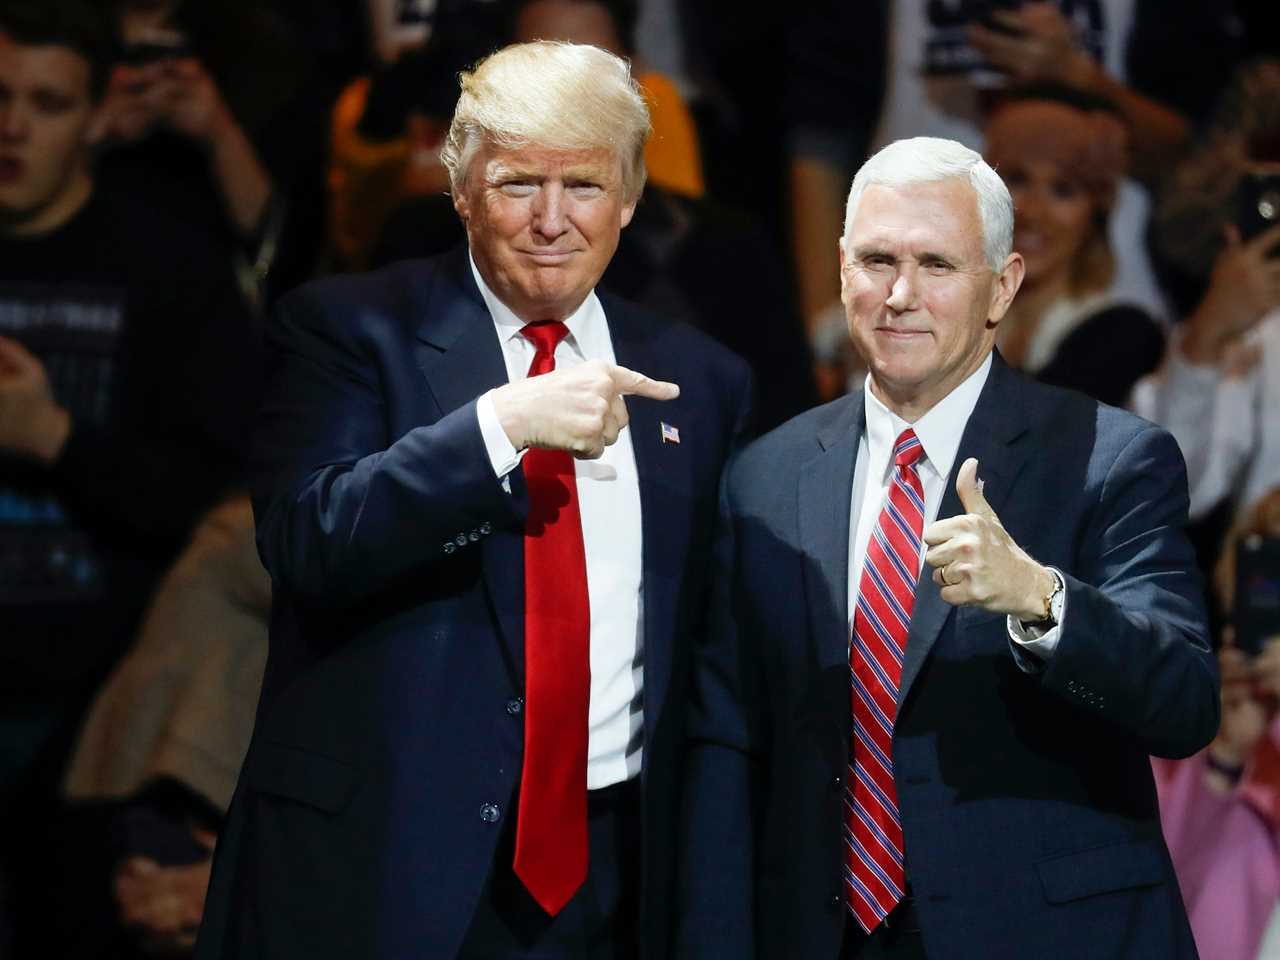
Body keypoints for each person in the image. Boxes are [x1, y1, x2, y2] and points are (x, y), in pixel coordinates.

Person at [194, 40, 754, 960]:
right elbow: (308, 540)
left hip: (611, 877)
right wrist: (498, 426)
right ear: (459, 189)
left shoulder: (700, 379)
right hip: (382, 867)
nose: (549, 219)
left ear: (631, 194)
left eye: (581, 185)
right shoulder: (347, 329)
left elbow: (708, 647)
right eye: (515, 184)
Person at [677, 137, 1217, 959]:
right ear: (841, 269)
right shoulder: (763, 475)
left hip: (1047, 935)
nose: (899, 294)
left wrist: (1044, 601)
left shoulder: (1109, 459)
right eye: (876, 260)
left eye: (936, 264)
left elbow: (1183, 703)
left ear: (1001, 287)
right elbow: (727, 740)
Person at [0, 0, 259, 949]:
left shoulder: (165, 263)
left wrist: (55, 438)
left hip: (96, 716)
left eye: (47, 102)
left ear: (96, 112)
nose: (13, 127)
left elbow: (221, 508)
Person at [981, 92, 1163, 406]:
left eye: (1063, 190)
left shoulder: (1121, 333)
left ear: (1095, 214)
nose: (1034, 212)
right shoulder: (947, 316)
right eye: (1018, 180)